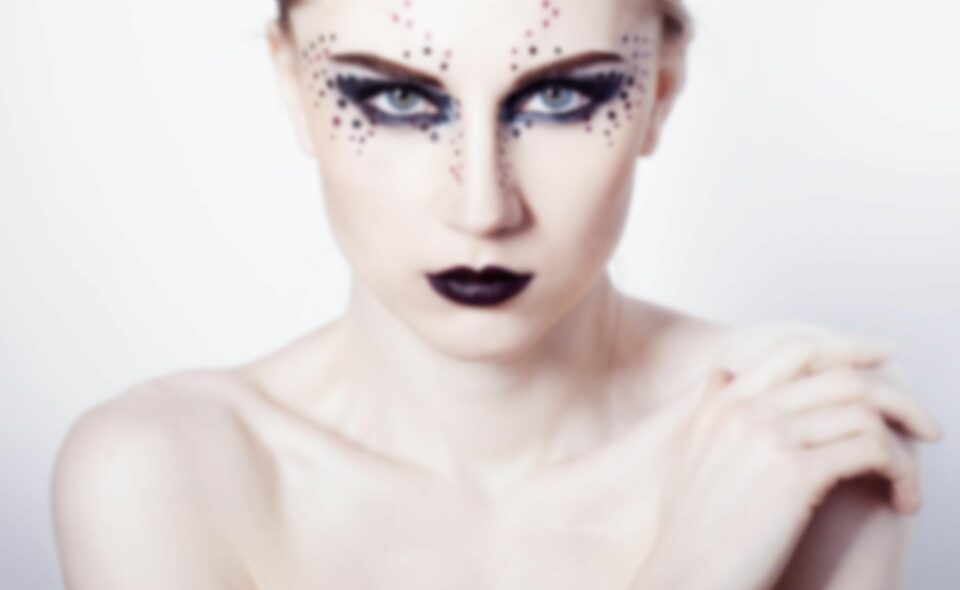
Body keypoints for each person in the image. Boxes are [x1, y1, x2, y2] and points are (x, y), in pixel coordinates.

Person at [51, 0, 943, 588]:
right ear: (293, 87)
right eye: (395, 100)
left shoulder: (795, 439)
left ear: (660, 93)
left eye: (559, 97)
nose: (482, 206)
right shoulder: (163, 473)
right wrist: (695, 569)